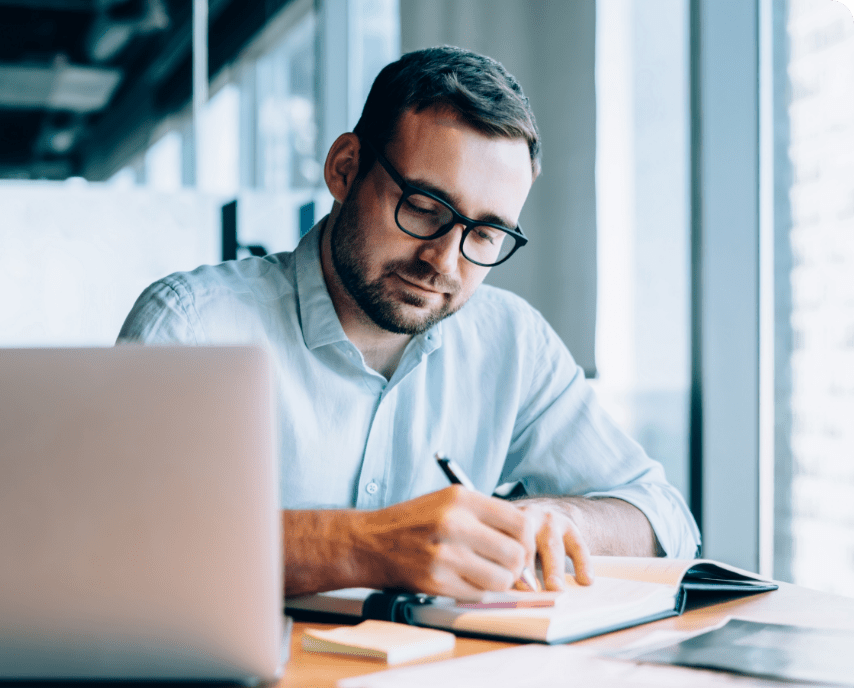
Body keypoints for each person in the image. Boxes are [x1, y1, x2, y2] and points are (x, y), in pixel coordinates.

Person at [118, 46, 701, 601]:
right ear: (345, 169)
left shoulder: (511, 340)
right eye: (423, 209)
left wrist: (554, 521)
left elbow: (664, 517)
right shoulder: (193, 325)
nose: (444, 262)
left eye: (485, 234)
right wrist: (367, 548)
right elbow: (117, 542)